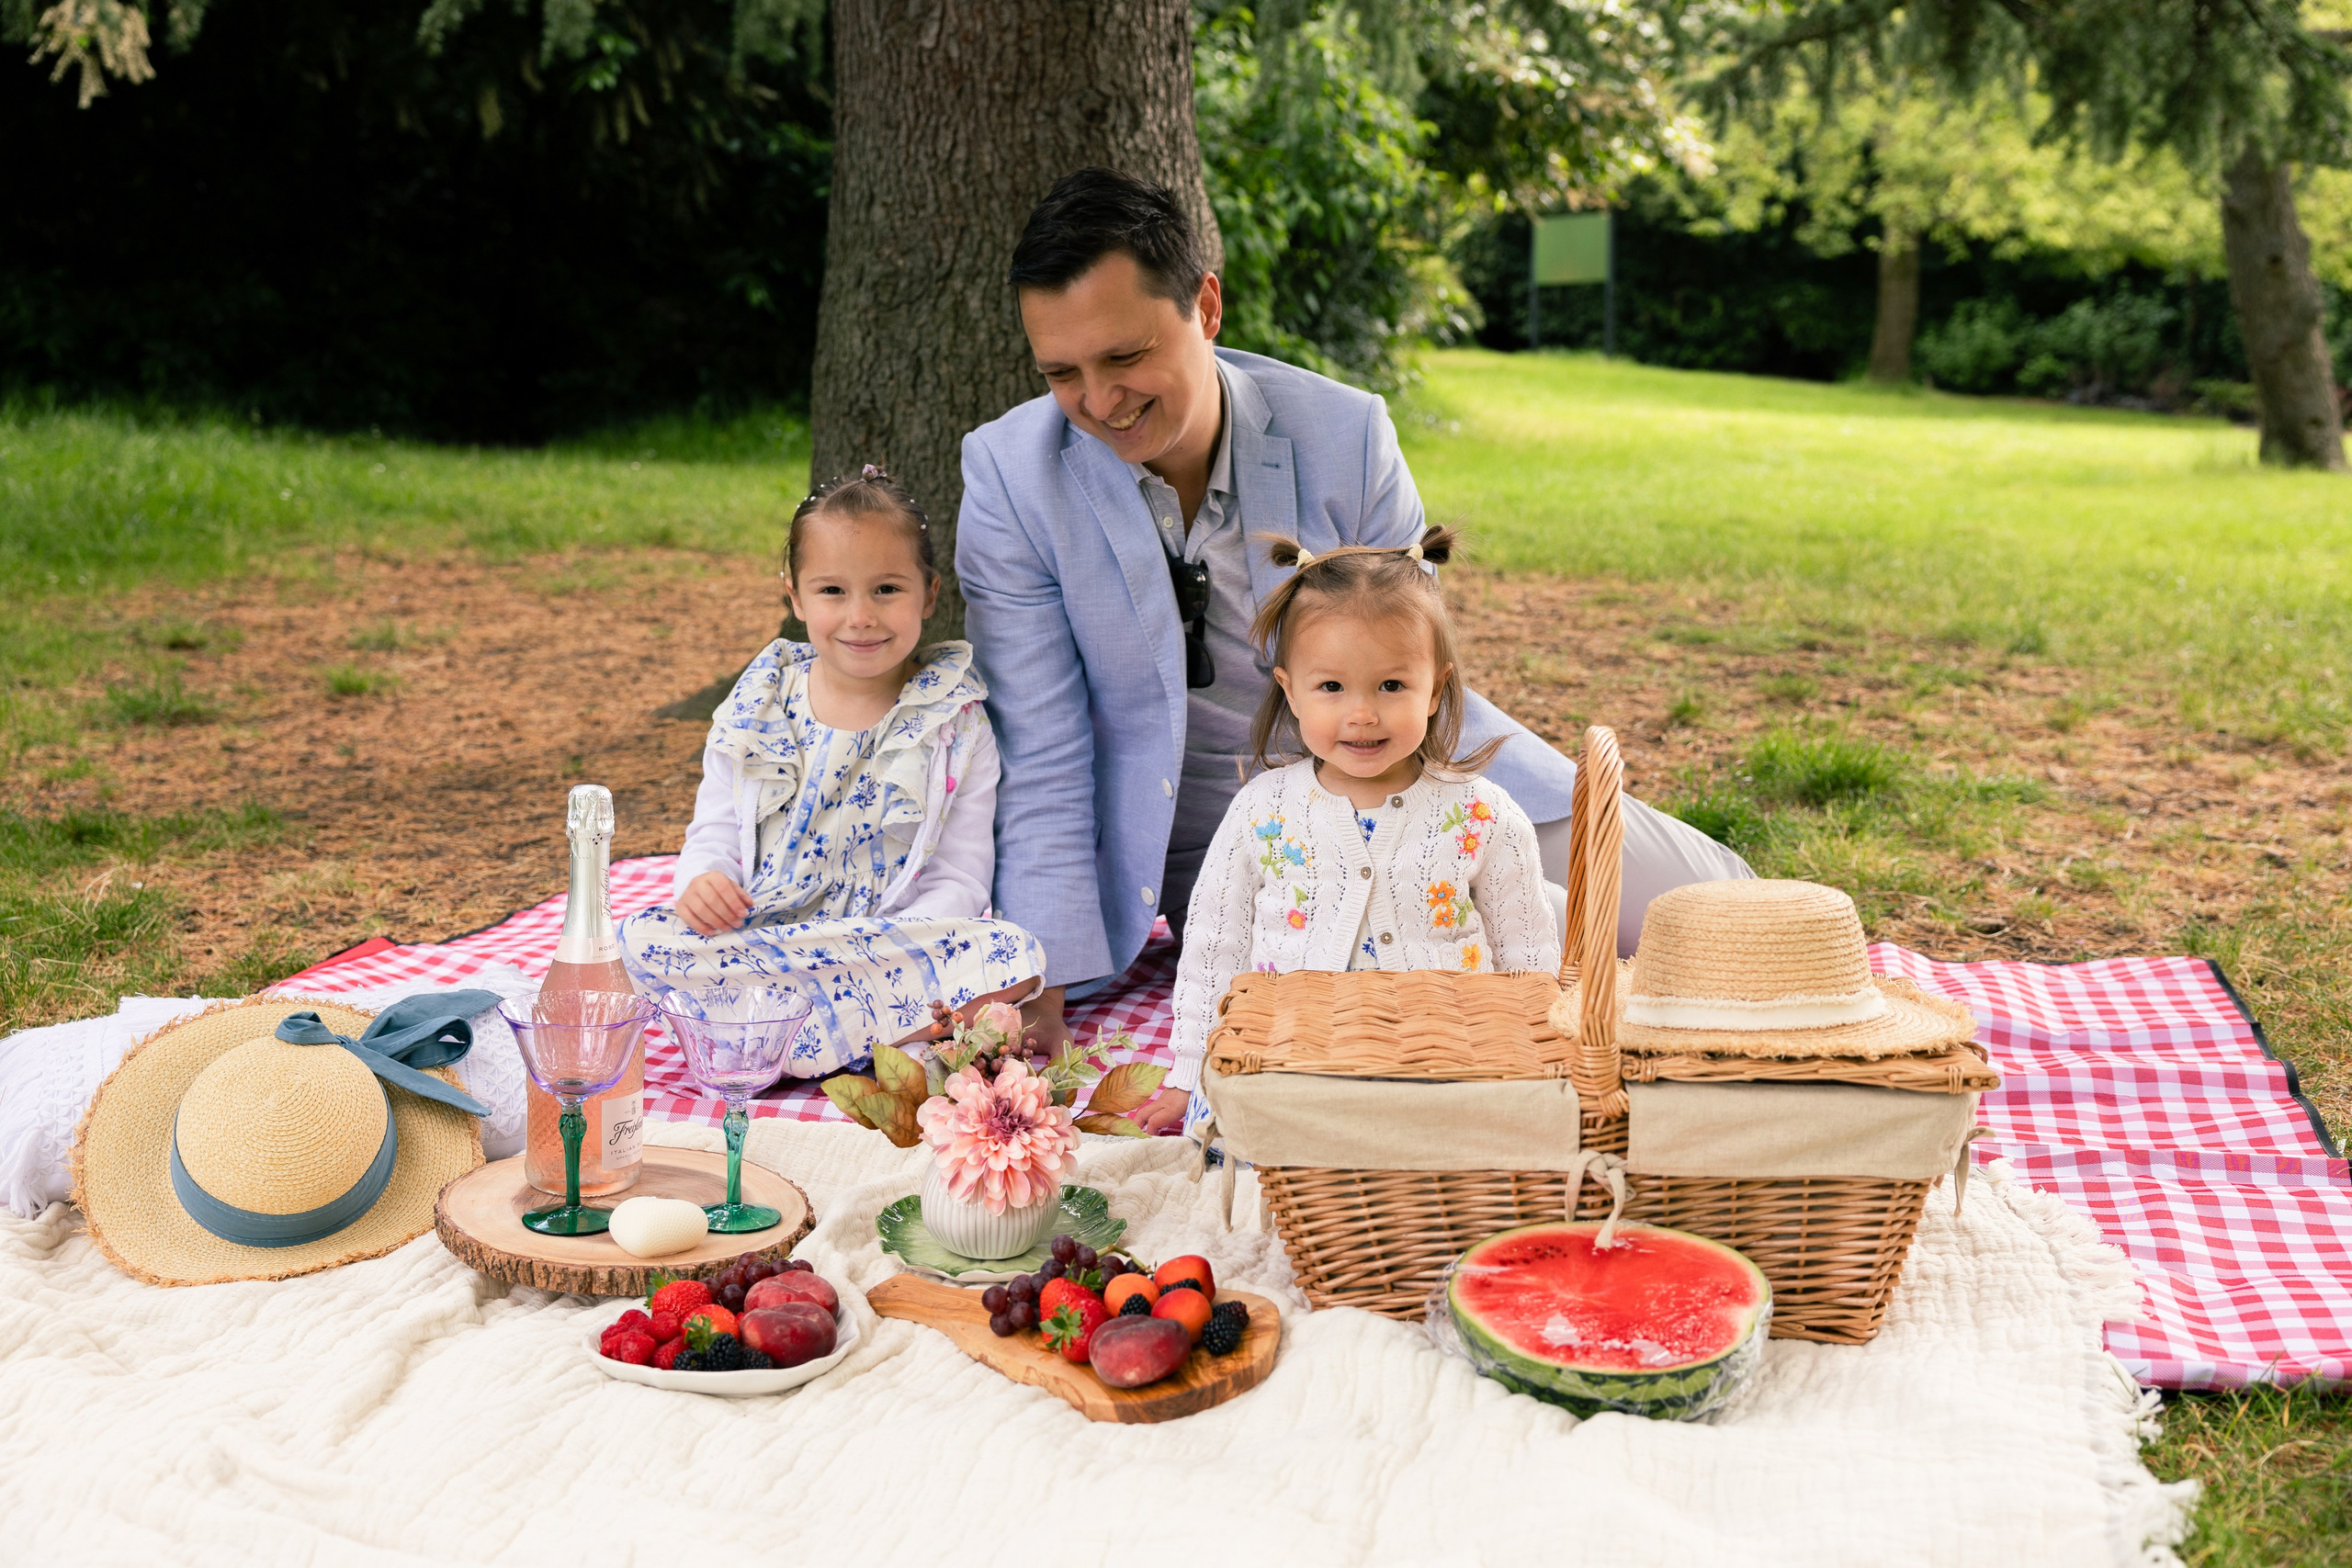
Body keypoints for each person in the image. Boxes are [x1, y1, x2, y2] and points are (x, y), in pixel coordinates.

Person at [957, 166, 1750, 1133]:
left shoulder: (1346, 432)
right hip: (1230, 847)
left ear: (1206, 307)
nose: (1097, 399)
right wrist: (1035, 966)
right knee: (1489, 954)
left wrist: (1443, 852)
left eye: (1124, 356)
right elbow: (1038, 742)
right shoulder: (1006, 475)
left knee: (1727, 921)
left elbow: (1409, 656)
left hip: (1418, 775)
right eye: (1060, 373)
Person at [619, 467, 1045, 1076]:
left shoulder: (953, 720)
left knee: (1013, 950)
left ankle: (790, 1040)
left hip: (884, 948)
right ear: (794, 595)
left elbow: (963, 874)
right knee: (641, 937)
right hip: (764, 942)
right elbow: (712, 829)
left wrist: (886, 943)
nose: (861, 616)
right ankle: (861, 1040)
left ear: (929, 593)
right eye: (833, 591)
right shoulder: (760, 702)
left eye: (887, 590)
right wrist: (704, 879)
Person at [1168, 528, 1558, 1129]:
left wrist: (1537, 1063)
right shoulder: (1262, 813)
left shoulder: (1483, 817)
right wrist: (1190, 1070)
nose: (1363, 713)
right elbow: (1214, 947)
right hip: (1291, 1073)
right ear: (1290, 690)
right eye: (1331, 686)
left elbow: (1527, 954)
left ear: (1436, 689)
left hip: (1447, 1077)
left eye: (1392, 685)